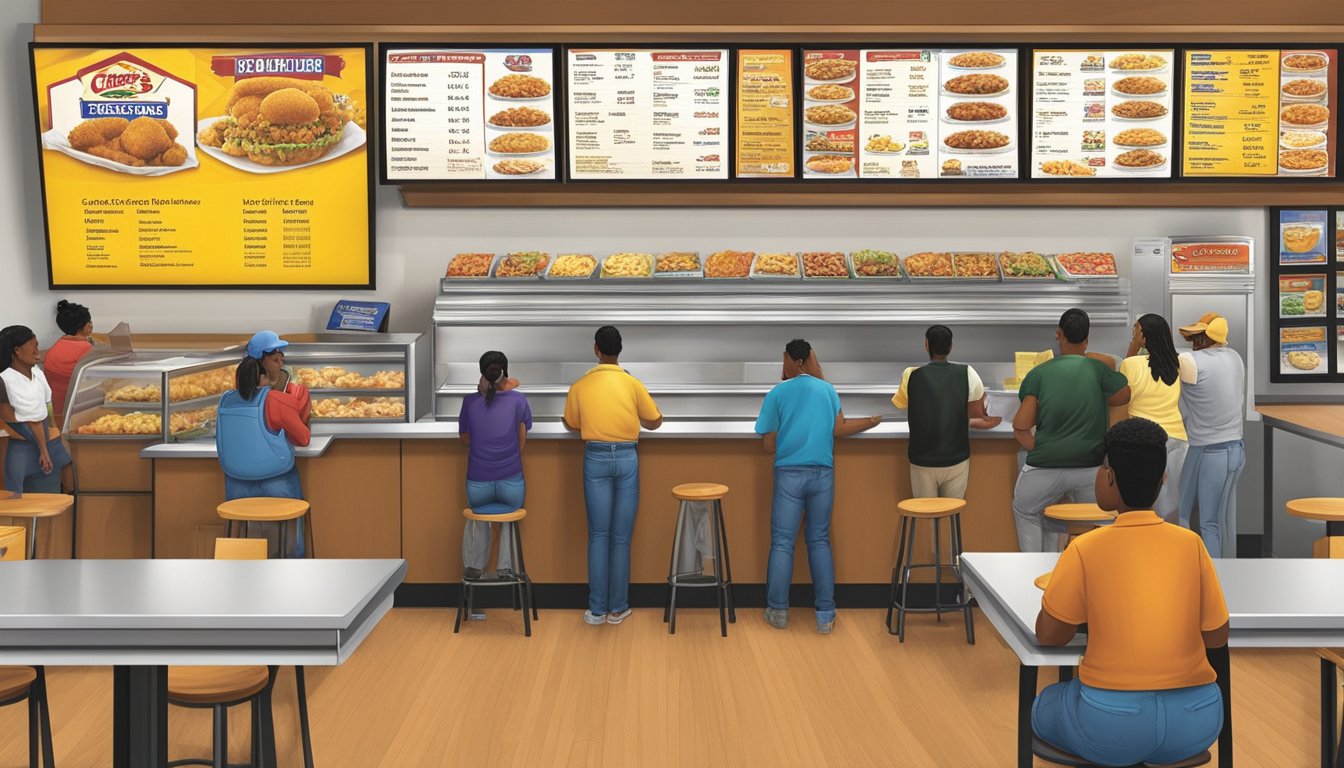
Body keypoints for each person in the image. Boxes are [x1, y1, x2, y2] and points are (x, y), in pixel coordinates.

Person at [1033, 418, 1228, 768]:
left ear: (1108, 477)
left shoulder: (1085, 548)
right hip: (1198, 719)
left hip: (1111, 725)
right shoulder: (1192, 545)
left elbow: (1050, 636)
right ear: (1163, 479)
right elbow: (1216, 637)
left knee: (1043, 705)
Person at [756, 339, 880, 634]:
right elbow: (838, 428)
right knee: (819, 540)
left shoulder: (778, 393)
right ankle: (825, 614)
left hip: (788, 473)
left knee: (783, 542)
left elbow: (767, 444)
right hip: (823, 473)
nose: (781, 364)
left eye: (783, 358)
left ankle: (778, 612)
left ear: (793, 360)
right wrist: (872, 421)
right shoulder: (827, 390)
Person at [563, 326, 662, 626]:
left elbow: (570, 423)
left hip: (595, 457)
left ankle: (596, 610)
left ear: (596, 350)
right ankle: (618, 608)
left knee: (598, 535)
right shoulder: (632, 383)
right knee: (621, 538)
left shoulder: (580, 385)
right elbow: (655, 420)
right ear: (620, 351)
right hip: (627, 458)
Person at [1012, 309, 1131, 552]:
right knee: (1096, 523)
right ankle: (1091, 574)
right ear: (1087, 340)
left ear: (1059, 334)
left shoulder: (1039, 374)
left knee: (1026, 511)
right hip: (1089, 469)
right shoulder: (1098, 370)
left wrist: (1040, 447)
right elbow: (1123, 395)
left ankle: (1034, 572)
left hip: (1043, 469)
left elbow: (1020, 426)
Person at [216, 349, 311, 557]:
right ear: (262, 376)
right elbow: (303, 438)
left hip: (235, 490)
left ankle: (238, 563)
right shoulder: (276, 400)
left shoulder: (225, 401)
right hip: (277, 486)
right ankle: (291, 565)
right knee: (289, 532)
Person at [892, 325, 1001, 501]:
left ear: (926, 345)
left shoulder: (910, 375)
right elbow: (978, 415)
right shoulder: (968, 373)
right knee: (952, 512)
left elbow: (900, 403)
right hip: (956, 458)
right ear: (950, 347)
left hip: (921, 460)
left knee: (926, 514)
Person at [458, 351, 532, 607]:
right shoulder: (519, 401)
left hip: (478, 483)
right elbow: (521, 439)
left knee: (479, 520)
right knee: (509, 519)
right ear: (505, 372)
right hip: (511, 481)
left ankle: (474, 568)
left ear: (482, 374)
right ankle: (506, 568)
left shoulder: (470, 402)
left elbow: (466, 439)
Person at [1176, 313, 1246, 558]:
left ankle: (1207, 579)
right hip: (1236, 450)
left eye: (1197, 336)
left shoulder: (1189, 361)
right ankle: (1224, 575)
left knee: (1195, 518)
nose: (1193, 342)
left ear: (1206, 337)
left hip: (1209, 451)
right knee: (1222, 519)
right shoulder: (1235, 357)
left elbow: (1167, 365)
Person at [1119, 314, 1188, 523]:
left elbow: (1121, 382)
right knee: (1173, 508)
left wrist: (1134, 344)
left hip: (1144, 442)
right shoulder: (1177, 364)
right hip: (1178, 439)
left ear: (1144, 336)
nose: (1133, 334)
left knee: (1143, 508)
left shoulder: (1132, 364)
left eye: (1135, 330)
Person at [0, 326, 74, 496]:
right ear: (17, 350)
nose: (37, 349)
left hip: (48, 439)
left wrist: (54, 430)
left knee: (67, 486)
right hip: (24, 444)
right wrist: (42, 447)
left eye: (37, 344)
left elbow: (47, 406)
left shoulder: (38, 372)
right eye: (32, 345)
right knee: (23, 497)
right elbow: (9, 419)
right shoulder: (4, 380)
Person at [44, 300, 95, 423]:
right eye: (89, 322)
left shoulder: (55, 347)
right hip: (78, 414)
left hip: (55, 413)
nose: (91, 325)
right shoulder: (86, 349)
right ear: (84, 326)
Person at [247, 331, 310, 426]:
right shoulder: (254, 387)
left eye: (281, 359)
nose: (280, 364)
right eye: (275, 360)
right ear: (260, 363)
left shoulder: (294, 388)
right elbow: (302, 437)